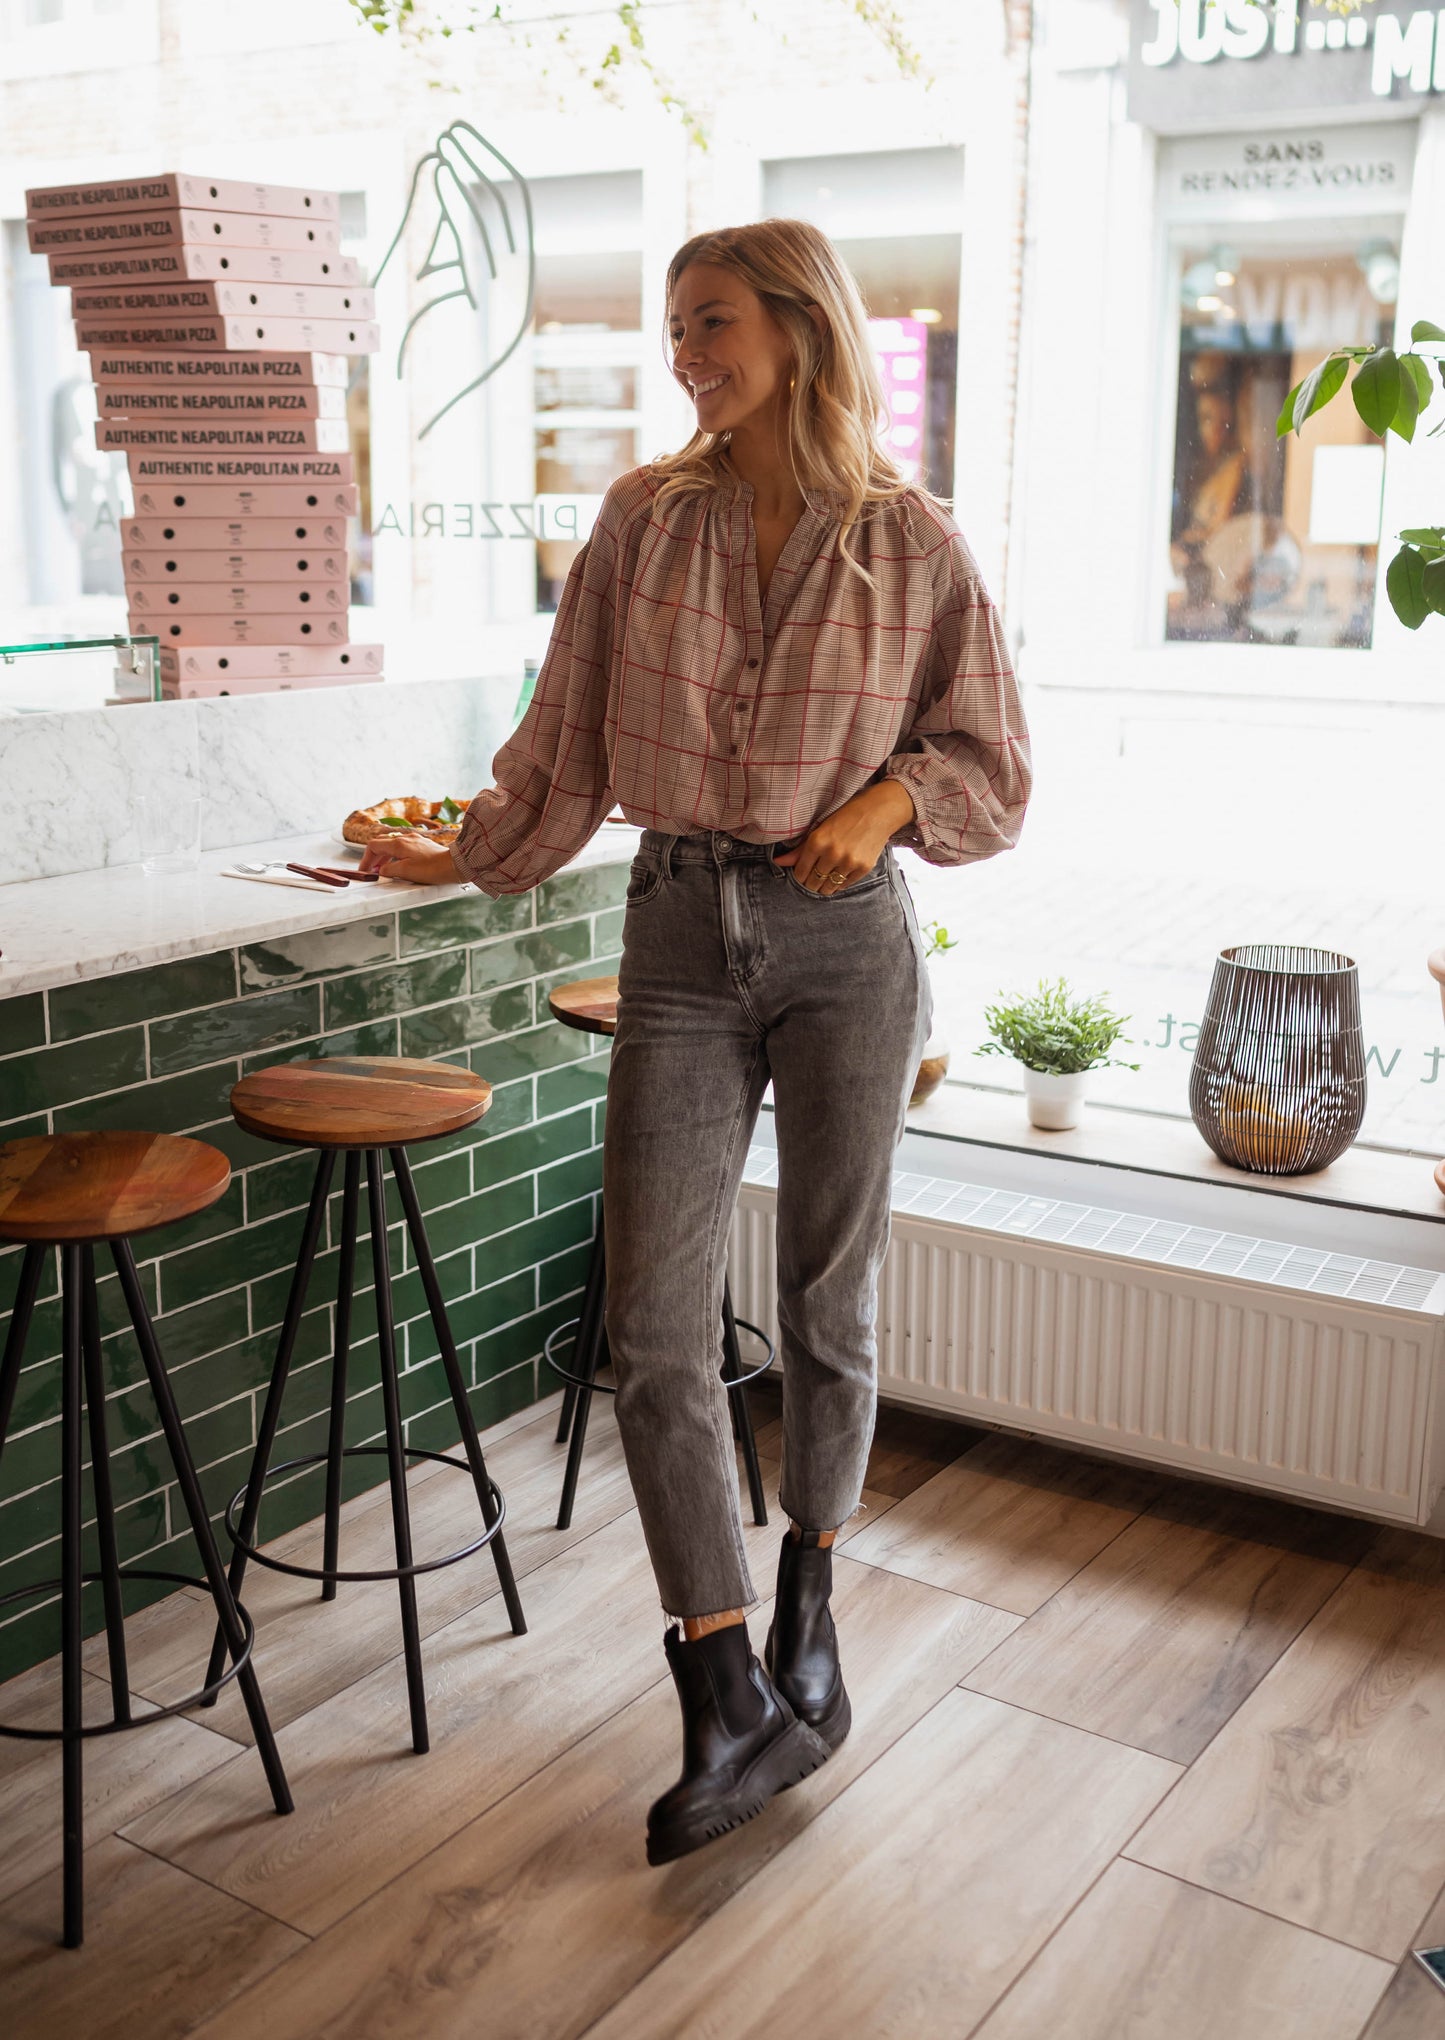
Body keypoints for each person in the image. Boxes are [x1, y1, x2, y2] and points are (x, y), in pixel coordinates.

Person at [361, 218, 1031, 1864]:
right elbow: (565, 739)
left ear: (799, 330)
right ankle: (719, 1682)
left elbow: (990, 762)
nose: (683, 352)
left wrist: (882, 803)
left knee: (825, 1295)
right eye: (673, 327)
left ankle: (811, 1593)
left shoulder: (913, 544)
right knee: (656, 1329)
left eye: (710, 322)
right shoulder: (641, 520)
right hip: (674, 929)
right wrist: (458, 852)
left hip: (847, 947)